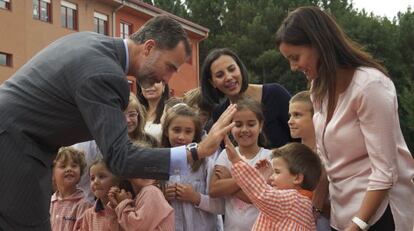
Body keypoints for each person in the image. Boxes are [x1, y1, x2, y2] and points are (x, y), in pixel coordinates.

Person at [0, 15, 236, 230]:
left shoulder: (90, 42)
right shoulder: (106, 73)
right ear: (149, 47)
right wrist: (196, 151)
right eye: (169, 67)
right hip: (14, 147)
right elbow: (120, 158)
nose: (167, 79)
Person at [276, 6, 414, 231]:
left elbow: (384, 172)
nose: (293, 67)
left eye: (295, 57)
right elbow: (326, 159)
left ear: (318, 44)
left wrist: (358, 224)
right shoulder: (318, 88)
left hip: (379, 215)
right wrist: (314, 208)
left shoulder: (370, 86)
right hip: (342, 216)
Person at [200, 48, 292, 148]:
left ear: (240, 68)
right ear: (212, 82)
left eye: (232, 69)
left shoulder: (275, 94)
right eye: (220, 75)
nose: (229, 77)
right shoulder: (220, 113)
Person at [225, 139, 321, 230]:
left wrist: (236, 161)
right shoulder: (304, 204)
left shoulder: (293, 200)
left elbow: (262, 193)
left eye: (277, 172)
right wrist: (266, 179)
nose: (272, 177)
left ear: (297, 178)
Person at [209, 97, 272, 231]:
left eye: (251, 124)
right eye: (238, 125)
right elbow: (214, 189)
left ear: (260, 126)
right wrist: (250, 180)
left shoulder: (270, 158)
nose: (244, 129)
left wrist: (229, 179)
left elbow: (259, 199)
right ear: (230, 127)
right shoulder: (226, 154)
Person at [161, 104, 224, 231]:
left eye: (188, 131)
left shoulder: (207, 163)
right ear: (167, 131)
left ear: (195, 134)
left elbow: (221, 206)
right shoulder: (160, 163)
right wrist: (163, 197)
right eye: (176, 130)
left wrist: (195, 197)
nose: (181, 137)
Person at [288, 91, 330, 231]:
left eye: (297, 115)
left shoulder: (327, 156)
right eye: (290, 115)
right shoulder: (289, 155)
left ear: (315, 117)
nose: (290, 121)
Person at [50, 147, 92, 231]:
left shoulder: (83, 204)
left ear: (80, 173)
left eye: (74, 166)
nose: (69, 169)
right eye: (63, 166)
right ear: (53, 174)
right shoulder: (49, 202)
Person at [109, 178, 174, 231]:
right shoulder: (135, 195)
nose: (144, 171)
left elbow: (136, 227)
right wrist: (115, 205)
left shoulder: (151, 191)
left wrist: (122, 203)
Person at [75, 159, 123, 231]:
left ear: (117, 181)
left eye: (101, 176)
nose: (95, 182)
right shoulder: (88, 215)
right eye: (92, 178)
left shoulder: (125, 210)